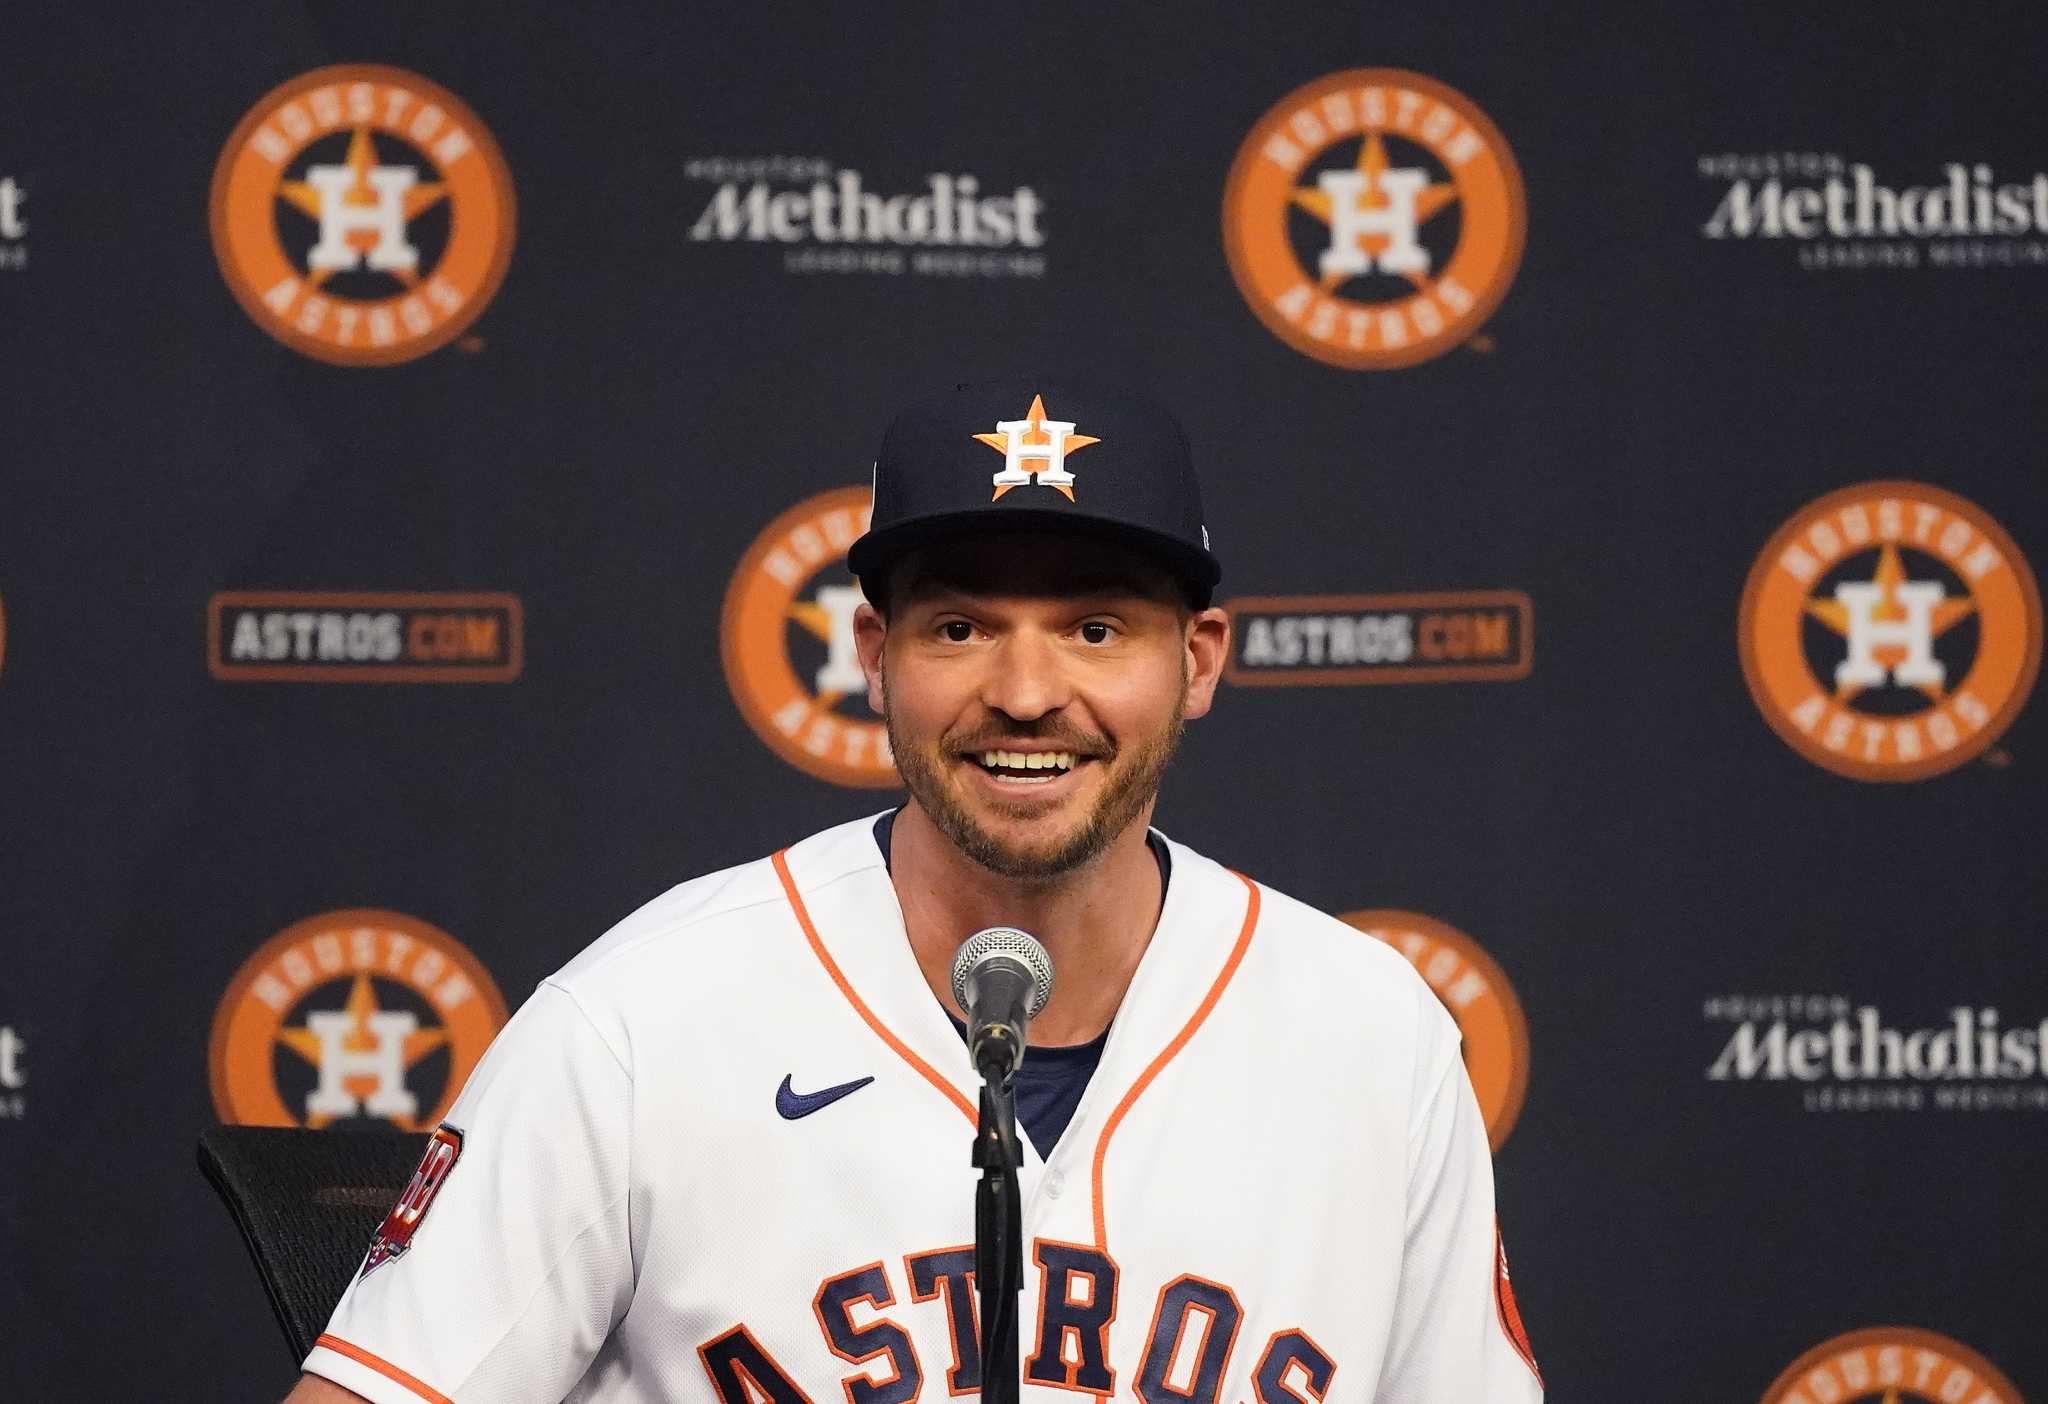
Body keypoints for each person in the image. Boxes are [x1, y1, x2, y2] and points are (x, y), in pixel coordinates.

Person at [284, 378, 1543, 1403]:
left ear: (1197, 663)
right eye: (959, 629)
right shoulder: (643, 1020)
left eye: (1096, 629)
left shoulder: (1371, 1040)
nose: (1028, 690)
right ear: (875, 661)